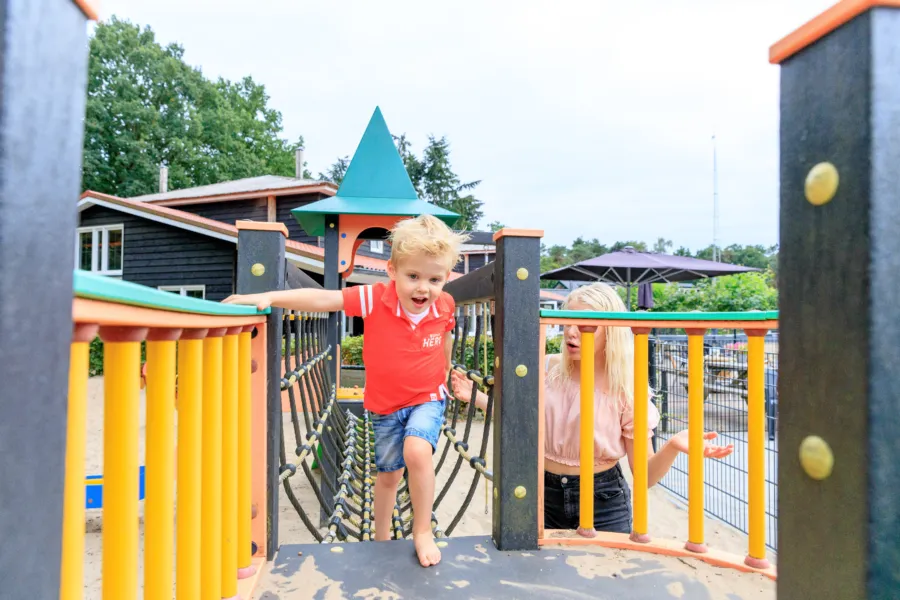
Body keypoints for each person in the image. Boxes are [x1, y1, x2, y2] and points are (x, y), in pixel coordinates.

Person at [223, 214, 468, 567]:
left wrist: (446, 368)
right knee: (388, 476)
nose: (422, 288)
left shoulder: (444, 304)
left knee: (417, 452)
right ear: (392, 271)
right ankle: (381, 540)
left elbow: (445, 336)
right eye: (412, 276)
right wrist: (268, 295)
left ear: (446, 278)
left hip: (427, 396)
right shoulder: (375, 298)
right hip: (384, 405)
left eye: (434, 279)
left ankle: (422, 531)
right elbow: (325, 300)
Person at [451, 282, 734, 535]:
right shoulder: (549, 368)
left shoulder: (626, 388)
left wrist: (672, 445)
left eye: (587, 324)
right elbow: (525, 416)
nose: (572, 332)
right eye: (567, 321)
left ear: (610, 332)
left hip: (603, 500)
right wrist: (476, 397)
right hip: (541, 492)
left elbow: (644, 476)